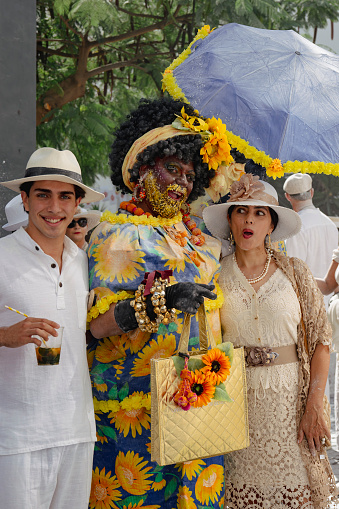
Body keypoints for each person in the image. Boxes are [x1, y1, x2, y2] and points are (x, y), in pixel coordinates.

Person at [86, 97, 236, 508]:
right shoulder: (114, 237)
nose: (182, 183)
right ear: (140, 170)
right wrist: (161, 301)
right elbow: (93, 329)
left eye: (190, 175)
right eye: (172, 169)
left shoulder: (202, 240)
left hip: (198, 402)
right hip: (135, 415)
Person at [203, 173, 338, 508]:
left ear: (272, 224)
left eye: (260, 213)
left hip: (292, 410)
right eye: (241, 211)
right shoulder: (212, 277)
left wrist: (313, 406)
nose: (250, 218)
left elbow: (321, 342)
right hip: (236, 410)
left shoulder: (296, 273)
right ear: (230, 221)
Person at [0, 147, 104, 509]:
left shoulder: (84, 263)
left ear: (77, 205)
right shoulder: (2, 256)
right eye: (43, 195)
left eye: (64, 197)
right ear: (25, 200)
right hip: (16, 438)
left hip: (77, 431)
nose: (54, 208)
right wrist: (5, 336)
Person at [283, 172, 338, 307]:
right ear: (312, 193)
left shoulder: (296, 227)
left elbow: (293, 274)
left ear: (287, 196)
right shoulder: (330, 224)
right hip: (330, 304)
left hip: (306, 305)